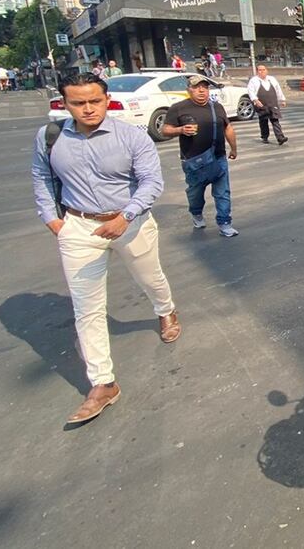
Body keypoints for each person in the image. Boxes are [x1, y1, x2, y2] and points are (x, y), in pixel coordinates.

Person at [31, 73, 180, 424]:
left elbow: (151, 182)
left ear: (106, 99)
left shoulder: (131, 136)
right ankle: (103, 383)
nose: (88, 109)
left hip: (131, 222)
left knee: (150, 278)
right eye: (78, 103)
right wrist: (51, 218)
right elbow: (41, 177)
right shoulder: (50, 137)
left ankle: (166, 310)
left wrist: (125, 216)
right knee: (87, 308)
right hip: (78, 227)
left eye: (94, 101)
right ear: (65, 104)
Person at [161, 74, 239, 236]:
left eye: (205, 87)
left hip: (218, 157)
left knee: (223, 193)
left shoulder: (217, 107)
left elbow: (228, 128)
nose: (201, 90)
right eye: (197, 87)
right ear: (189, 90)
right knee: (195, 193)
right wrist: (180, 130)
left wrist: (234, 149)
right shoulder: (179, 108)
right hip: (194, 160)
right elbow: (165, 130)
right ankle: (196, 212)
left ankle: (225, 223)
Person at [247, 65, 288, 145]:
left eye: (263, 69)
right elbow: (250, 91)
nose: (262, 71)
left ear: (267, 70)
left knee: (275, 120)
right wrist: (256, 100)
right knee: (263, 121)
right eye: (260, 70)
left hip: (273, 103)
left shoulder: (272, 79)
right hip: (261, 104)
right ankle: (264, 137)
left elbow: (278, 90)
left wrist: (282, 100)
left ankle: (280, 138)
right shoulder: (254, 80)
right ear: (257, 71)